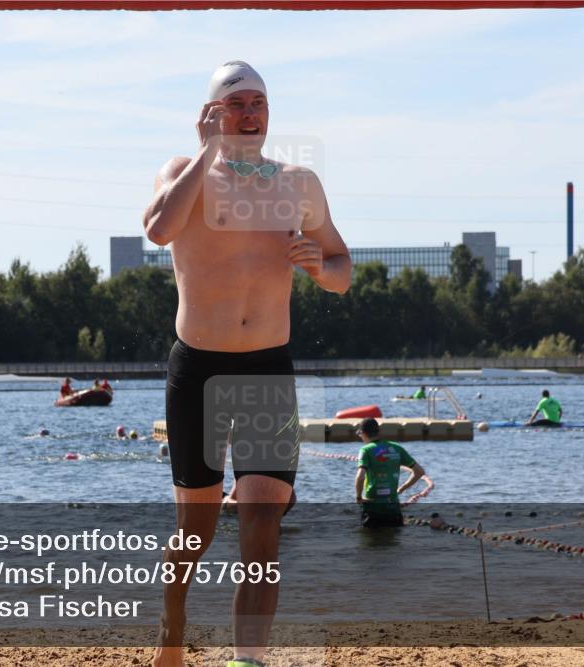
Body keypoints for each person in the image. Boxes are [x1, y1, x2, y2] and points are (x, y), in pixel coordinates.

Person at [143, 60, 351, 667]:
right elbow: (157, 230)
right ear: (209, 114)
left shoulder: (298, 183)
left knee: (262, 521)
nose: (250, 112)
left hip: (266, 366)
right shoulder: (183, 173)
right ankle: (172, 628)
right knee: (197, 530)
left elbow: (343, 269)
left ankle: (247, 659)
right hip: (198, 368)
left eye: (258, 102)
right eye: (236, 103)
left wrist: (318, 265)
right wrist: (207, 154)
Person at [354, 418, 426, 527]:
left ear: (363, 433)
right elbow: (419, 472)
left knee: (369, 541)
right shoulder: (396, 448)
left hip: (372, 505)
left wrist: (359, 497)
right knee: (393, 539)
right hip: (393, 506)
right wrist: (401, 489)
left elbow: (360, 477)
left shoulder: (365, 450)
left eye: (360, 434)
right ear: (378, 431)